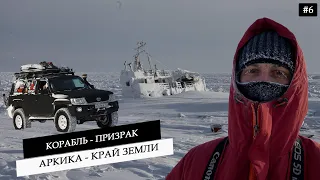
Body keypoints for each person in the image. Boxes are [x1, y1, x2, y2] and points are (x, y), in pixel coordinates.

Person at [166, 17, 320, 180]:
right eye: (252, 70)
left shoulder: (315, 161)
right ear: (237, 78)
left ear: (295, 83)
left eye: (278, 73)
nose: (264, 81)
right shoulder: (196, 161)